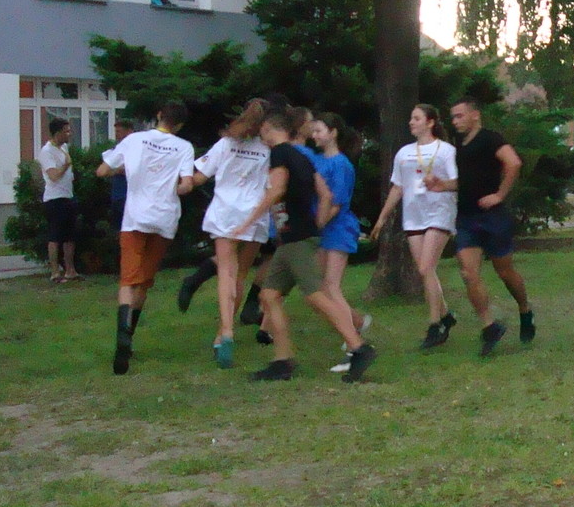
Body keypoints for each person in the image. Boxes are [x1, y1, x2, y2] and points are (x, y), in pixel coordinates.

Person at [234, 109, 376, 382]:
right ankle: (282, 361)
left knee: (315, 295)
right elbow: (325, 194)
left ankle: (359, 347)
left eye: (262, 131)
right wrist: (316, 225)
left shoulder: (280, 153)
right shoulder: (302, 156)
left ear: (269, 129)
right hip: (295, 237)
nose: (261, 136)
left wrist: (248, 221)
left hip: (296, 239)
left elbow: (277, 190)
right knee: (269, 295)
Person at [96, 103, 197, 375]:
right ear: (180, 125)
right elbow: (186, 184)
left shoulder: (134, 139)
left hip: (135, 218)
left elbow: (102, 171)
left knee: (128, 279)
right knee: (144, 281)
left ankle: (122, 333)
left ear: (159, 116)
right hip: (164, 219)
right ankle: (131, 333)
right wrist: (176, 186)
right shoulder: (184, 147)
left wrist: (125, 169)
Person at [187, 99, 271, 368]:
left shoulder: (226, 144)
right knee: (241, 275)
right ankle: (222, 333)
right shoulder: (268, 149)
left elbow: (199, 177)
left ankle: (226, 332)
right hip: (254, 215)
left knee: (226, 273)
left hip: (225, 213)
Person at [447, 99, 535, 356]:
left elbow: (514, 163)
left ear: (475, 115)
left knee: (504, 272)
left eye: (460, 116)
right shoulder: (460, 145)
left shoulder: (490, 138)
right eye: (453, 117)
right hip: (466, 218)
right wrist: (442, 185)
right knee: (468, 273)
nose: (455, 121)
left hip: (492, 218)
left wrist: (500, 195)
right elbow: (466, 181)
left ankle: (525, 309)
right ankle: (489, 326)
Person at [370, 104, 459, 350]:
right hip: (413, 216)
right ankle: (446, 316)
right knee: (425, 271)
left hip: (439, 212)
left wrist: (441, 183)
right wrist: (382, 218)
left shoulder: (446, 150)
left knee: (425, 267)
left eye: (417, 118)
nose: (411, 122)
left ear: (430, 122)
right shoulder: (404, 153)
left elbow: (457, 182)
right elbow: (398, 187)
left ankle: (434, 325)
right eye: (411, 118)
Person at [309, 112, 374, 373]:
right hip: (321, 230)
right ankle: (356, 322)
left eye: (319, 130)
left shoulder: (341, 164)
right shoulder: (315, 160)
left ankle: (354, 347)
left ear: (333, 133)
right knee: (319, 288)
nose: (314, 135)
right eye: (313, 131)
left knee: (331, 286)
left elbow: (336, 203)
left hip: (338, 229)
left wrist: (317, 225)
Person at [38, 117, 81, 282]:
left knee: (70, 236)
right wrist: (66, 165)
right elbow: (54, 176)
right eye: (66, 131)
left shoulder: (64, 147)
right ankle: (55, 272)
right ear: (57, 133)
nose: (69, 134)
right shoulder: (47, 151)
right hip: (54, 199)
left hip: (68, 196)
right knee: (55, 236)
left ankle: (70, 270)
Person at [107, 118, 133, 232]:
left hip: (130, 196)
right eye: (116, 132)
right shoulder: (116, 150)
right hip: (117, 195)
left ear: (129, 132)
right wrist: (116, 171)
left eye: (119, 131)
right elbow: (106, 171)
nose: (116, 135)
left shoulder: (136, 149)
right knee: (118, 229)